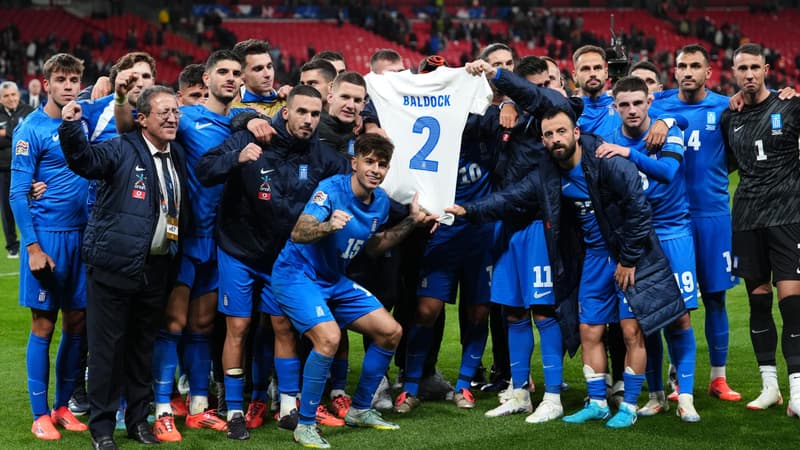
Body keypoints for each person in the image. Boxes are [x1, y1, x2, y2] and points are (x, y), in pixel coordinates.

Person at [195, 84, 350, 437]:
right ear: (286, 111)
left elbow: (353, 183)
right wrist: (236, 158)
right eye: (302, 112)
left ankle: (289, 408)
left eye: (314, 114)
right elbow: (205, 170)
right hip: (238, 250)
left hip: (281, 257)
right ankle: (234, 410)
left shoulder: (323, 157)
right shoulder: (253, 137)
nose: (308, 120)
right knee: (238, 327)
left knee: (283, 327)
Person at [272, 133, 434, 448]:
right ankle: (304, 425)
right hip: (296, 275)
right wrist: (326, 226)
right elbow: (299, 231)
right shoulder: (331, 190)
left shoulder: (382, 202)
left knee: (391, 331)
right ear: (354, 163)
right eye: (369, 161)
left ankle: (360, 409)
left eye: (382, 164)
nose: (375, 169)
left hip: (333, 278)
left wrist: (412, 222)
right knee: (329, 338)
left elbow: (374, 246)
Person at [59, 85, 189, 450]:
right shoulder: (121, 148)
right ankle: (101, 429)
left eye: (175, 112)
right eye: (163, 112)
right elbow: (83, 161)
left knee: (141, 349)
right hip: (114, 267)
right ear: (142, 118)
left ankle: (137, 422)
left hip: (156, 266)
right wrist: (71, 128)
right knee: (106, 350)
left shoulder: (175, 153)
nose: (171, 117)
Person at [146, 50, 249, 442]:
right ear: (205, 80)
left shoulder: (242, 126)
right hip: (185, 236)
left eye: (235, 73)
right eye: (222, 71)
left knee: (203, 326)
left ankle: (199, 407)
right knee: (172, 324)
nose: (230, 78)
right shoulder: (186, 119)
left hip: (221, 238)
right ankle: (160, 408)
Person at [596, 76, 700, 422]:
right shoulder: (606, 141)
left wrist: (630, 152)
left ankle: (685, 396)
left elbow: (668, 171)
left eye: (637, 103)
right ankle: (656, 396)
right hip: (637, 242)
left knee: (681, 318)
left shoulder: (665, 131)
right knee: (645, 321)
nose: (631, 110)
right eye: (624, 104)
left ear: (649, 102)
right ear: (615, 108)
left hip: (672, 234)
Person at [654, 44, 741, 404]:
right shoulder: (656, 106)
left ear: (709, 72)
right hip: (671, 219)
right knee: (674, 304)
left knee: (716, 297)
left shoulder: (725, 106)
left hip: (713, 216)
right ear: (673, 71)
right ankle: (677, 378)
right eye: (681, 65)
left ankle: (718, 379)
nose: (687, 71)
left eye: (694, 66)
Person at [10, 53, 89, 442]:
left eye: (74, 79)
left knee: (77, 326)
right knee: (44, 325)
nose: (68, 85)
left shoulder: (84, 121)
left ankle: (62, 407)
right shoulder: (31, 129)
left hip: (83, 236)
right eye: (61, 79)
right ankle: (39, 414)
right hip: (49, 237)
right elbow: (16, 194)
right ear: (46, 83)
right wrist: (32, 247)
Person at [721, 43, 800, 417]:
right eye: (742, 69)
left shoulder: (791, 106)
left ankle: (798, 389)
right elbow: (727, 164)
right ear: (733, 72)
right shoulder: (728, 117)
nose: (749, 74)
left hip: (788, 217)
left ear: (767, 69)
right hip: (748, 219)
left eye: (755, 67)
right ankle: (770, 385)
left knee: (793, 304)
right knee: (757, 302)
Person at [0, 81, 33, 258]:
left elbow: (29, 135)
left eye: (13, 94)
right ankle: (13, 246)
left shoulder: (29, 111)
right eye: (6, 96)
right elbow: (20, 136)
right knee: (6, 209)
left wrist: (5, 133)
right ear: (0, 98)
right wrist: (16, 134)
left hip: (26, 168)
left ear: (18, 94)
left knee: (31, 204)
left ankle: (33, 240)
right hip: (4, 169)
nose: (11, 98)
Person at [231, 39, 286, 118]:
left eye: (269, 66)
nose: (267, 74)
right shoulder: (233, 110)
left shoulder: (288, 102)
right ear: (241, 74)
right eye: (258, 69)